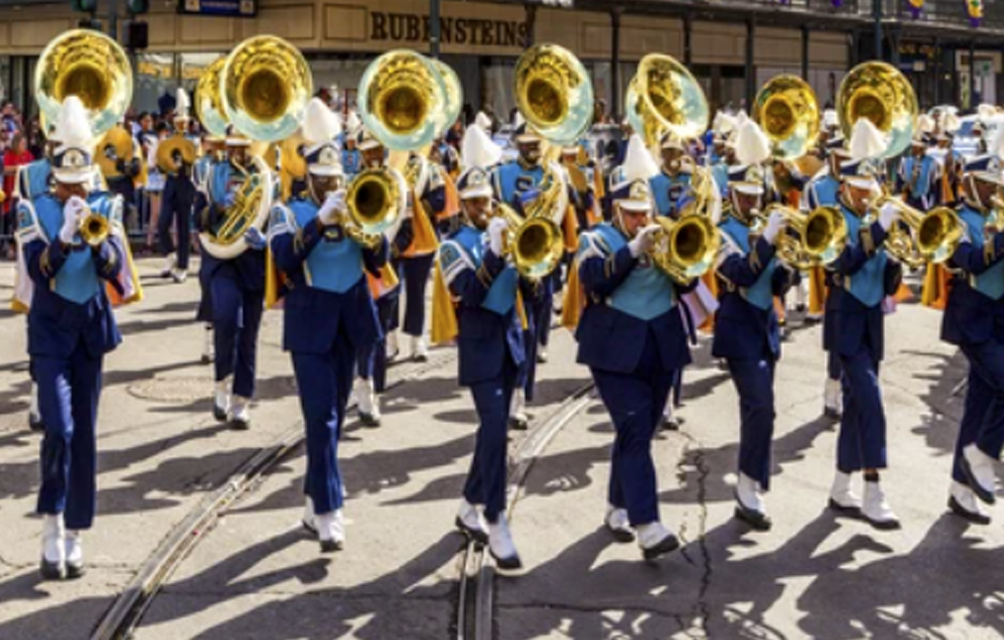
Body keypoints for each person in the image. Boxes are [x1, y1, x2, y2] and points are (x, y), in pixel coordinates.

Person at [15, 97, 134, 580]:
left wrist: (97, 242)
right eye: (66, 187)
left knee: (84, 435)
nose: (74, 194)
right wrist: (63, 239)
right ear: (54, 178)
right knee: (58, 429)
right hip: (48, 330)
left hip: (89, 329)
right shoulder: (32, 206)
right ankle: (50, 522)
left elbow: (117, 271)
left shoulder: (109, 204)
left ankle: (75, 533)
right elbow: (37, 273)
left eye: (80, 185)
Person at [269, 99, 394, 552]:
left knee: (335, 419)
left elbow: (379, 263)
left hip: (352, 318)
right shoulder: (288, 212)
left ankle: (311, 499)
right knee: (320, 419)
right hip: (309, 322)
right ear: (308, 179)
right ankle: (330, 510)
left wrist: (370, 227)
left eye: (336, 181)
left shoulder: (357, 204)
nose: (330, 188)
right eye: (323, 181)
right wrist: (320, 223)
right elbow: (284, 260)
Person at [575, 178, 692, 560]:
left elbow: (689, 282)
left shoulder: (665, 235)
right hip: (612, 348)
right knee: (635, 429)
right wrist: (631, 250)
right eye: (632, 213)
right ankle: (648, 525)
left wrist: (682, 254)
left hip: (661, 344)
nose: (641, 220)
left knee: (639, 431)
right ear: (616, 212)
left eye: (645, 212)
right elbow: (594, 280)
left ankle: (616, 506)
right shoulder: (596, 239)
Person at [439, 165, 525, 570]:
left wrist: (531, 266)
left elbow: (534, 288)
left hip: (509, 344)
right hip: (479, 347)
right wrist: (493, 252)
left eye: (486, 201)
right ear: (462, 204)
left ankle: (466, 505)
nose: (481, 208)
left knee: (494, 430)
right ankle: (495, 517)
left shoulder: (509, 234)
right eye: (473, 202)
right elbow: (469, 295)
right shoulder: (451, 246)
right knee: (493, 428)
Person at [824, 130, 904, 530]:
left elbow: (888, 283)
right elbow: (840, 265)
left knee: (856, 405)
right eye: (858, 188)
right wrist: (878, 234)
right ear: (844, 185)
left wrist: (896, 258)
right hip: (845, 317)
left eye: (867, 188)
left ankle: (841, 487)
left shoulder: (875, 216)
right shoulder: (830, 218)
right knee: (871, 400)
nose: (864, 195)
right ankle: (874, 490)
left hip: (872, 321)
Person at [714, 176, 797, 530]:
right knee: (761, 406)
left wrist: (790, 265)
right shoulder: (718, 233)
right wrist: (767, 242)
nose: (751, 203)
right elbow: (741, 275)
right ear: (731, 194)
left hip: (765, 329)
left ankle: (748, 486)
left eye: (756, 197)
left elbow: (773, 282)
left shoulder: (767, 228)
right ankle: (749, 489)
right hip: (737, 329)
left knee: (761, 412)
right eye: (744, 197)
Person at [940, 154, 1004, 525]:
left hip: (998, 318)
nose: (995, 190)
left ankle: (960, 490)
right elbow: (972, 261)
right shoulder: (955, 219)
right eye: (988, 183)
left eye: (998, 183)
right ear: (968, 183)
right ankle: (981, 455)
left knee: (979, 404)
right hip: (972, 317)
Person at [194, 129, 268, 429]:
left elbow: (277, 218)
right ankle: (221, 383)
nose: (239, 153)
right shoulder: (212, 174)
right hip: (222, 259)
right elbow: (196, 219)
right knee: (226, 320)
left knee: (248, 335)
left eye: (244, 147)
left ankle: (241, 401)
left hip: (252, 262)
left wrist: (265, 238)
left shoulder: (266, 177)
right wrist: (219, 207)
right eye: (234, 147)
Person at [158, 90, 196, 283]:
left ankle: (182, 266)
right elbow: (160, 162)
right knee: (162, 224)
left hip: (185, 185)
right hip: (170, 184)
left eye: (183, 121)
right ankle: (170, 255)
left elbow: (195, 162)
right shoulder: (168, 140)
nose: (180, 124)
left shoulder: (193, 140)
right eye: (177, 120)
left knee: (183, 228)